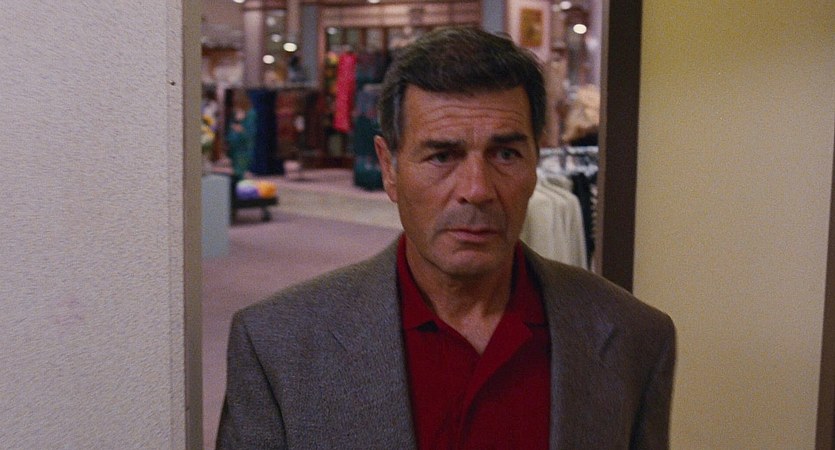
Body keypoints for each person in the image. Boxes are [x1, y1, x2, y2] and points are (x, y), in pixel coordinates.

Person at [217, 27, 676, 449]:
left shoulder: (633, 338)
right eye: (442, 156)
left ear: (536, 162)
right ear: (389, 168)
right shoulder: (278, 346)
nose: (477, 189)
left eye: (505, 154)